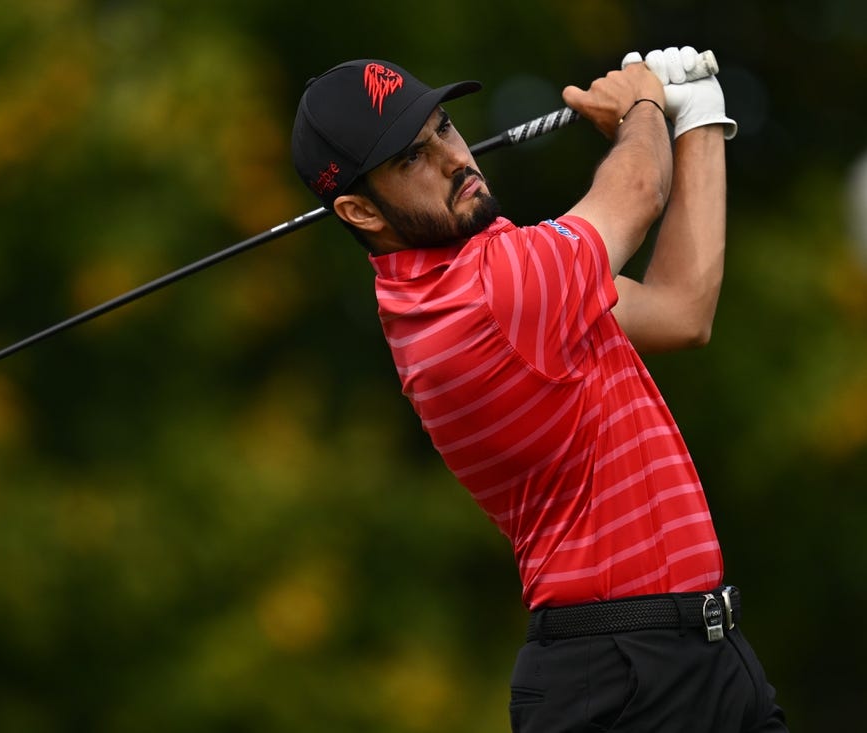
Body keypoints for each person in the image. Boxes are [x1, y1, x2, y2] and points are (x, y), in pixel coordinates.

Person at [291, 49, 788, 732]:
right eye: (409, 160)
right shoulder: (487, 298)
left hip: (705, 655)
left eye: (443, 128)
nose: (451, 159)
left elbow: (681, 309)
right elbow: (638, 190)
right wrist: (642, 104)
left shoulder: (494, 283)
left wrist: (698, 116)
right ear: (358, 209)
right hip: (620, 680)